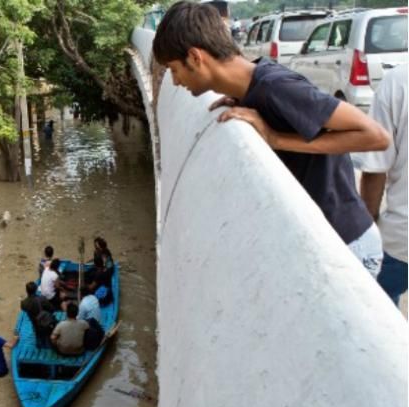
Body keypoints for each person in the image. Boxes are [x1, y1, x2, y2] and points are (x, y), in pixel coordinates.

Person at [152, 2, 391, 277]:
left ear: (195, 58)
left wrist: (276, 138)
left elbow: (375, 136)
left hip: (348, 246)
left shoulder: (275, 86)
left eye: (173, 69)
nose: (174, 81)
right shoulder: (253, 87)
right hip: (324, 239)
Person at [356, 64, 408, 306]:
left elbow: (375, 168)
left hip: (402, 237)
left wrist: (368, 225)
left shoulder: (398, 81)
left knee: (375, 305)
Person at [21, 281, 56, 348]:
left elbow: (24, 309)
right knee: (48, 336)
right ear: (36, 290)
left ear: (26, 290)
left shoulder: (23, 303)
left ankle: (39, 345)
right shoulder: (42, 299)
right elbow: (51, 309)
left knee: (38, 336)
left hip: (35, 323)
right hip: (45, 322)